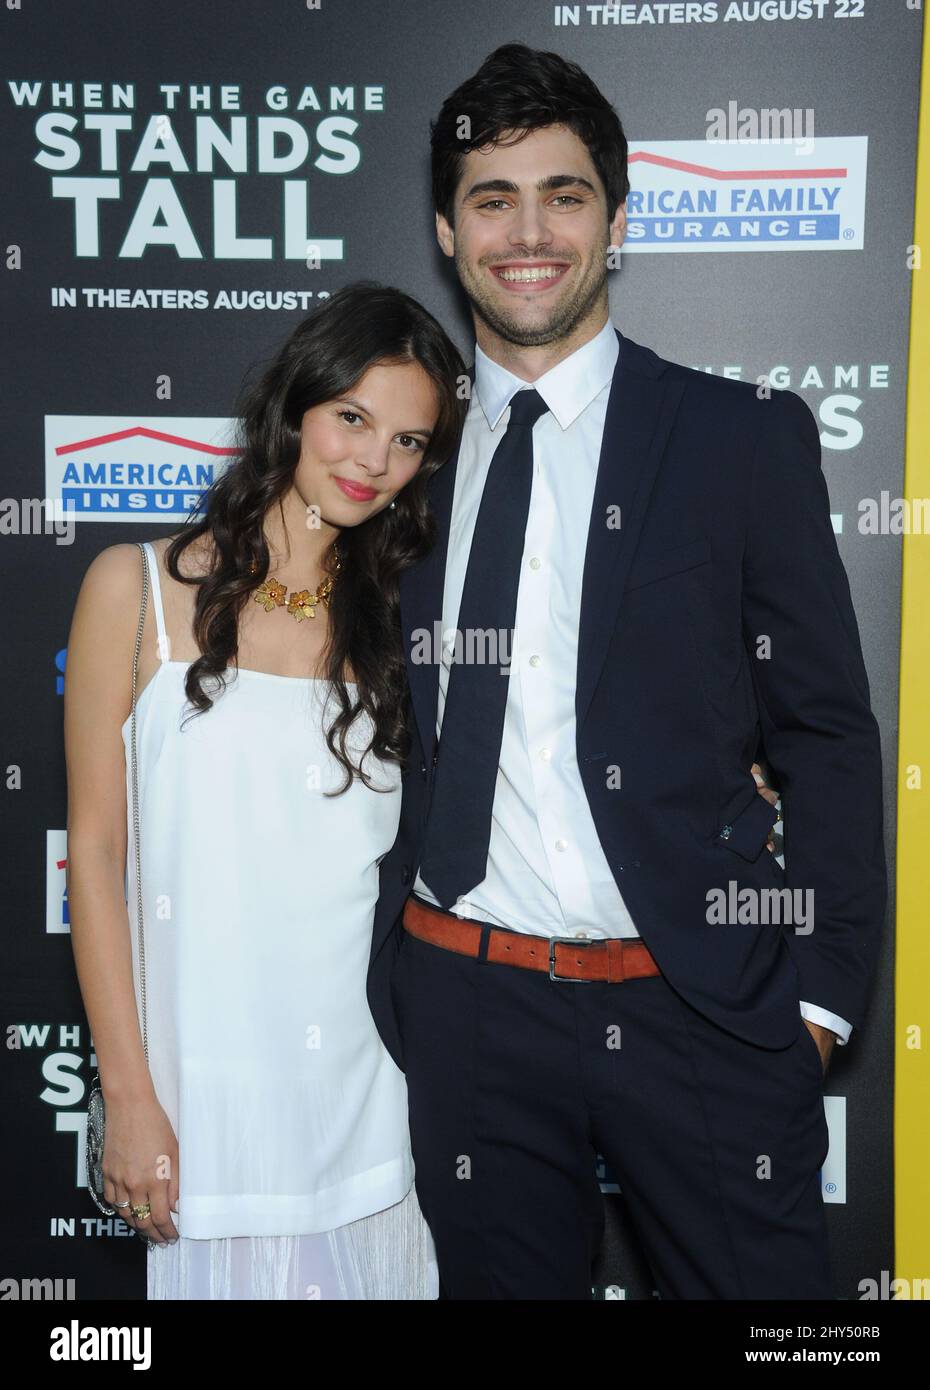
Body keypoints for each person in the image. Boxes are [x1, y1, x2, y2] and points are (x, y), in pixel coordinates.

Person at [366, 44, 887, 1300]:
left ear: (615, 218)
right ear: (448, 229)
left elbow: (823, 729)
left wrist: (817, 996)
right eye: (493, 199)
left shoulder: (736, 438)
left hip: (697, 1007)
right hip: (468, 1008)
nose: (528, 233)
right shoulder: (390, 465)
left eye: (564, 194)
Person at [64, 283, 467, 1299]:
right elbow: (97, 858)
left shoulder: (408, 625)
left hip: (373, 1108)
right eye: (353, 419)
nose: (374, 461)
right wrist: (129, 1093)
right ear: (295, 408)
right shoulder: (136, 589)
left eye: (410, 441)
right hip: (203, 1107)